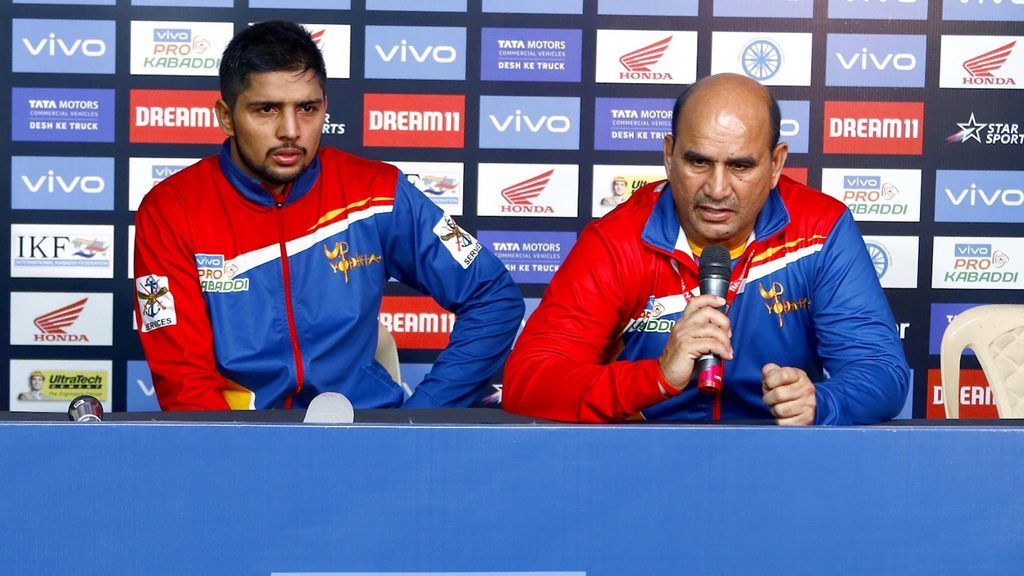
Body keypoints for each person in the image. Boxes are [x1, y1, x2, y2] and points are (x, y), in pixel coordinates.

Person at [133, 21, 524, 411]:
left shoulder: (376, 192)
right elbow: (185, 382)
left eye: (307, 108)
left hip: (368, 439)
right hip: (246, 444)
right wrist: (239, 459)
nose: (291, 130)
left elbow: (493, 296)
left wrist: (423, 414)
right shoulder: (171, 211)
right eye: (266, 109)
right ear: (226, 116)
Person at [503, 73, 910, 425]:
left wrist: (821, 403)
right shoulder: (618, 241)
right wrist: (657, 377)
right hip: (642, 463)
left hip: (778, 458)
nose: (717, 190)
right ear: (668, 155)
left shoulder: (820, 231)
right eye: (698, 162)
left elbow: (882, 373)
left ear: (776, 165)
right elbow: (529, 382)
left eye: (740, 166)